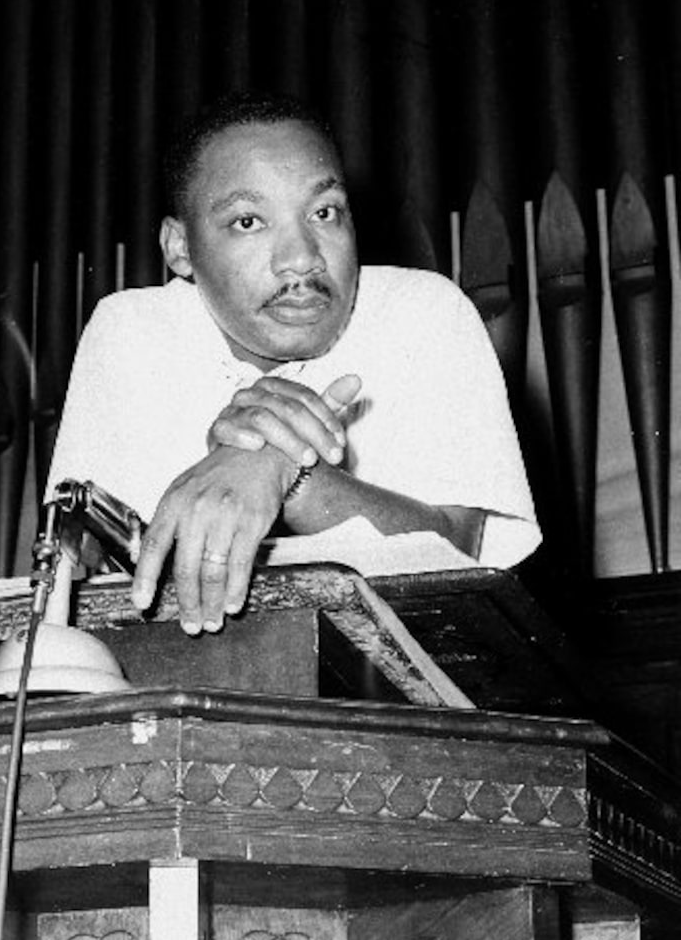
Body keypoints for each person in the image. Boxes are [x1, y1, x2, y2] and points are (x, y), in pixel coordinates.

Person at [46, 92, 540, 635]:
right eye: (249, 221)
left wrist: (288, 469)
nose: (302, 256)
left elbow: (456, 556)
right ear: (180, 248)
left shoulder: (426, 311)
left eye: (324, 213)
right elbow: (79, 570)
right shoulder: (130, 330)